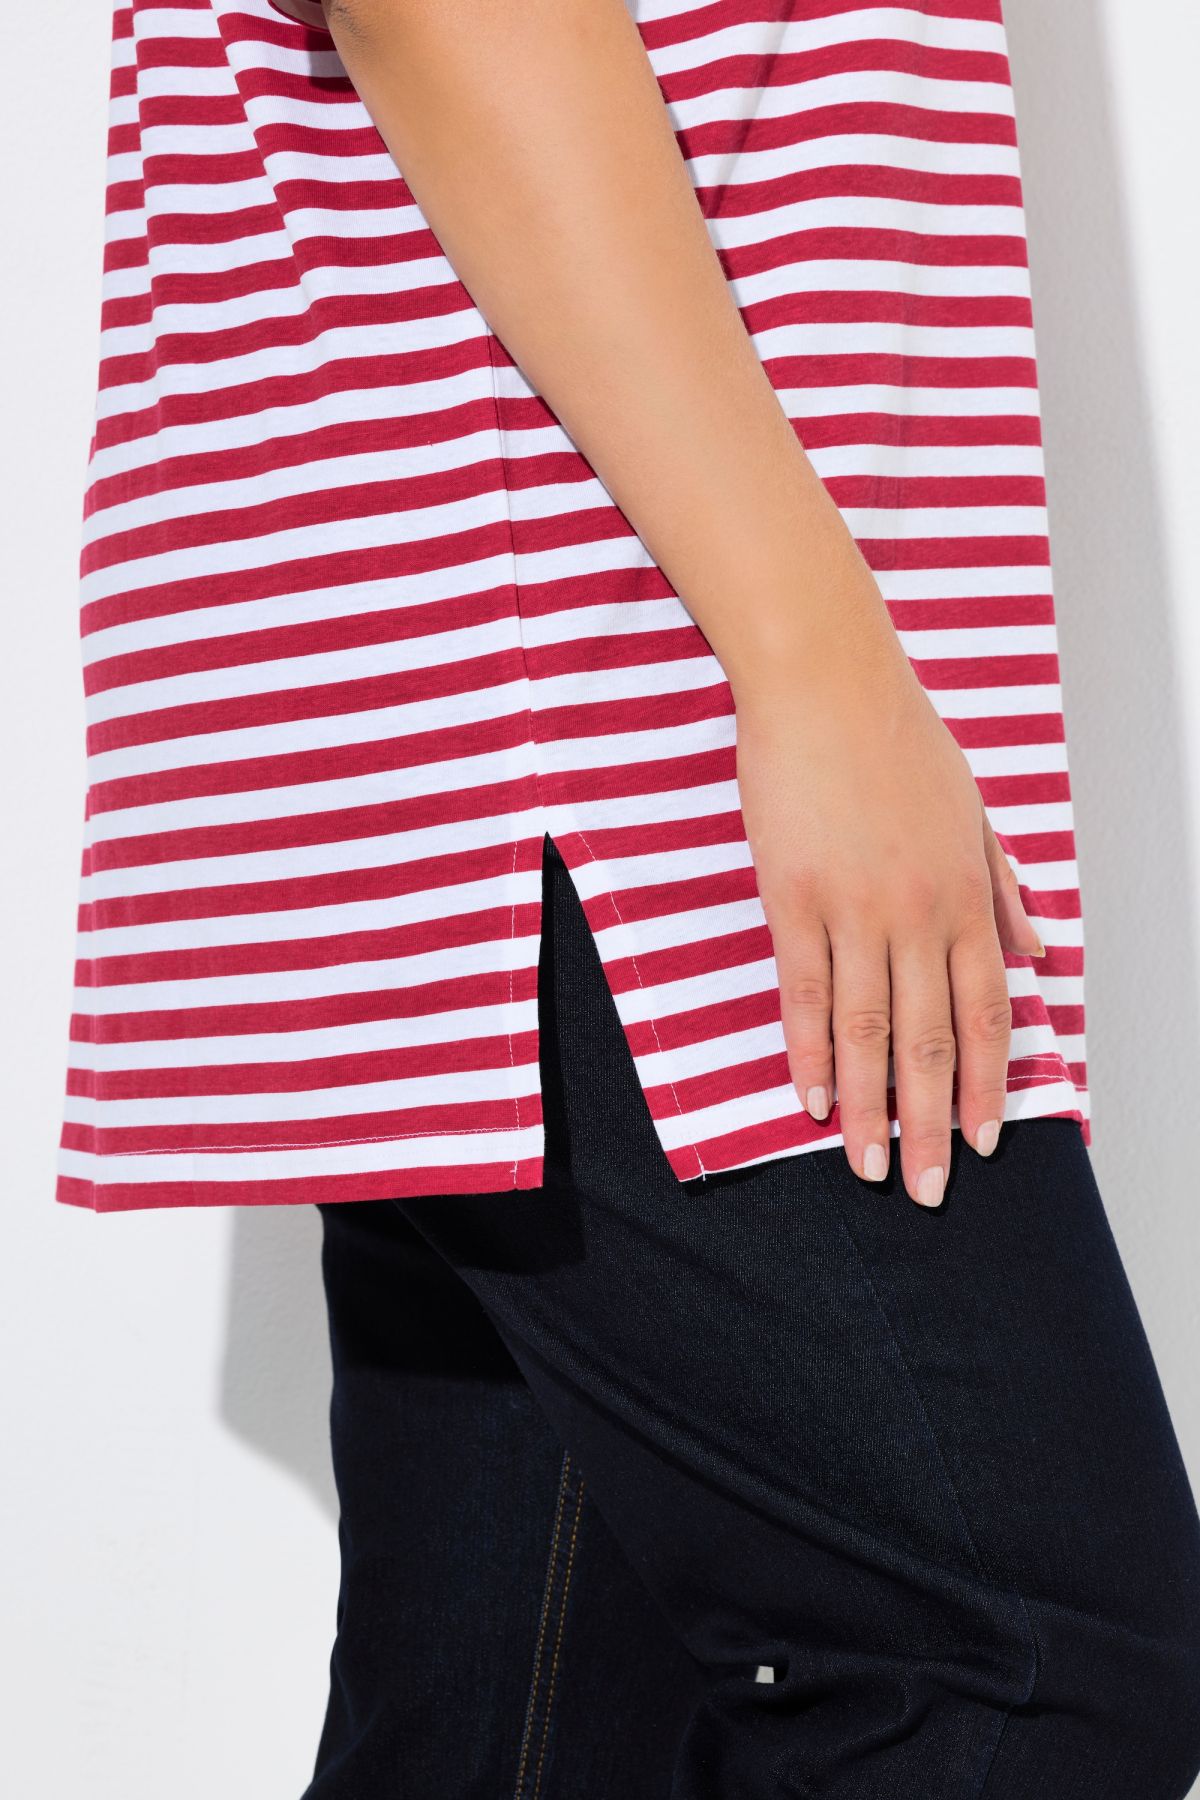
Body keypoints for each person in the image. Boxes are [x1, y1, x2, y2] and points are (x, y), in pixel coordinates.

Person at [62, 1, 1200, 1795]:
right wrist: (810, 660)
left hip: (557, 663)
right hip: (618, 701)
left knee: (526, 1743)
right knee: (1019, 1665)